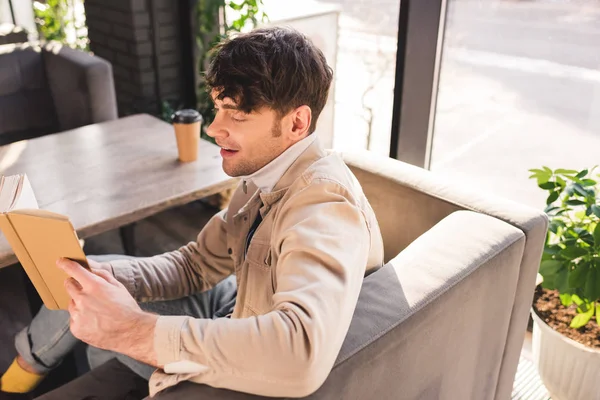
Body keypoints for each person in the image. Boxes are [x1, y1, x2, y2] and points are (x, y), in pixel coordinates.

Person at [0, 26, 384, 400]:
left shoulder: (324, 203)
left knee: (99, 318)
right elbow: (196, 265)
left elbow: (300, 352)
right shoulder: (264, 177)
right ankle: (34, 369)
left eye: (236, 114)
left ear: (296, 123)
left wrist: (133, 330)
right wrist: (114, 277)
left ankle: (16, 381)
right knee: (89, 280)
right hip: (235, 301)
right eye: (217, 108)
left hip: (249, 336)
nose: (214, 128)